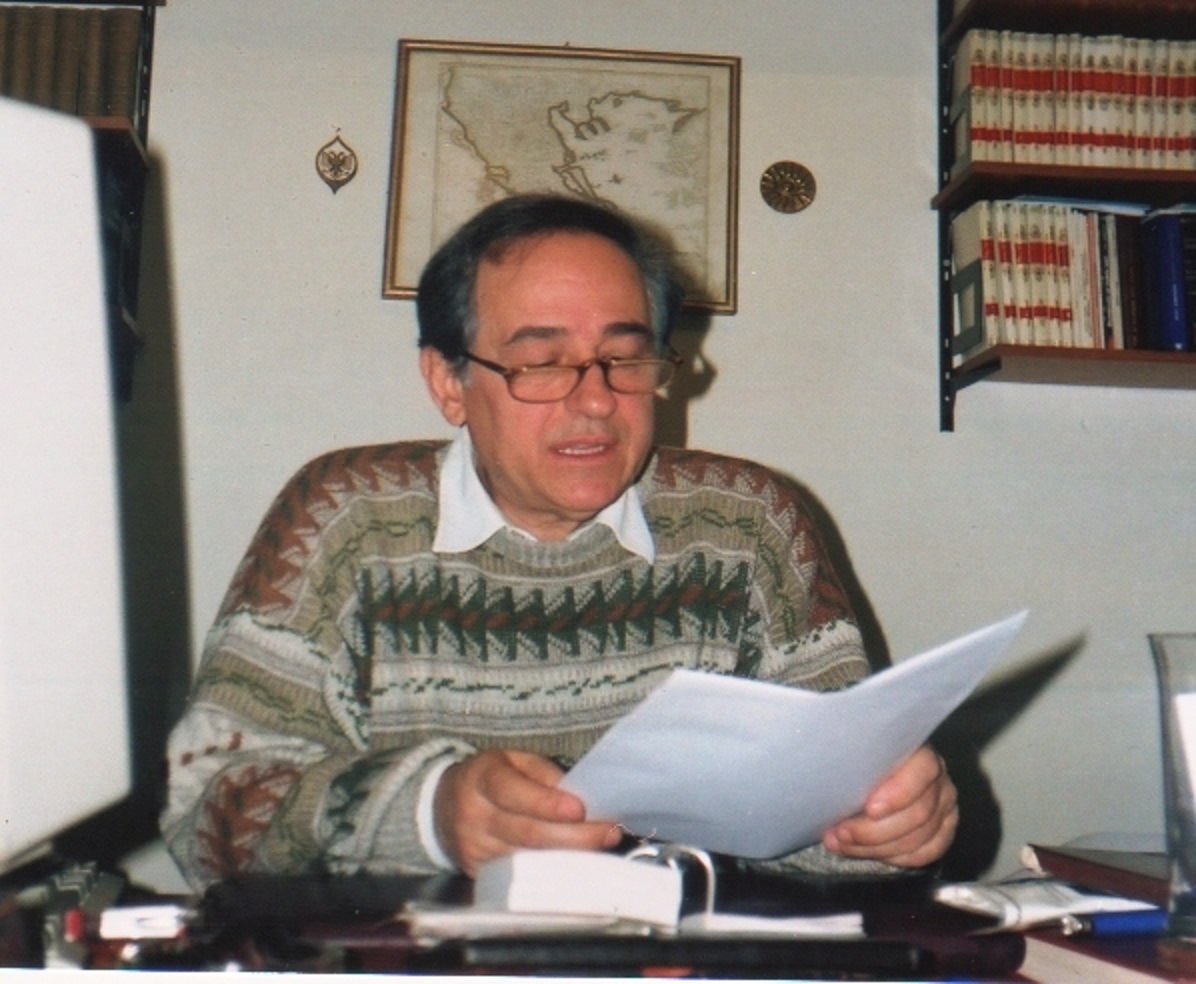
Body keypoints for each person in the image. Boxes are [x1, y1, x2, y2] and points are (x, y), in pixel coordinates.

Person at [162, 194, 957, 889]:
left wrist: (887, 827)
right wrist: (430, 813)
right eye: (541, 363)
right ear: (447, 382)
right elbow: (205, 809)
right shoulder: (345, 519)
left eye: (625, 358)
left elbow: (823, 807)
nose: (596, 401)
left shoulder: (749, 525)